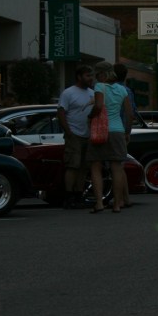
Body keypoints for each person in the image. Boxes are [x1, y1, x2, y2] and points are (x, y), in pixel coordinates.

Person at [86, 61, 132, 213]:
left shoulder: (100, 86)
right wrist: (127, 132)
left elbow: (98, 106)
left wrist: (90, 116)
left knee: (96, 166)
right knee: (117, 168)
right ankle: (117, 204)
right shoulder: (123, 90)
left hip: (101, 131)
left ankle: (99, 203)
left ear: (101, 73)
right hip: (118, 130)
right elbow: (129, 113)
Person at [57, 65, 95, 209]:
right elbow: (61, 112)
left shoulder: (92, 93)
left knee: (84, 167)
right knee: (73, 165)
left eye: (91, 76)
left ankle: (79, 195)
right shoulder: (68, 93)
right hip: (74, 134)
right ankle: (69, 196)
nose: (90, 78)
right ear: (79, 77)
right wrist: (68, 132)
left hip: (89, 135)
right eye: (87, 75)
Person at [113, 63, 138, 207]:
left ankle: (120, 199)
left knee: (116, 166)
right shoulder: (127, 90)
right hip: (122, 130)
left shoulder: (108, 90)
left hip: (113, 130)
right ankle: (125, 198)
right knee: (120, 165)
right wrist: (128, 131)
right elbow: (131, 114)